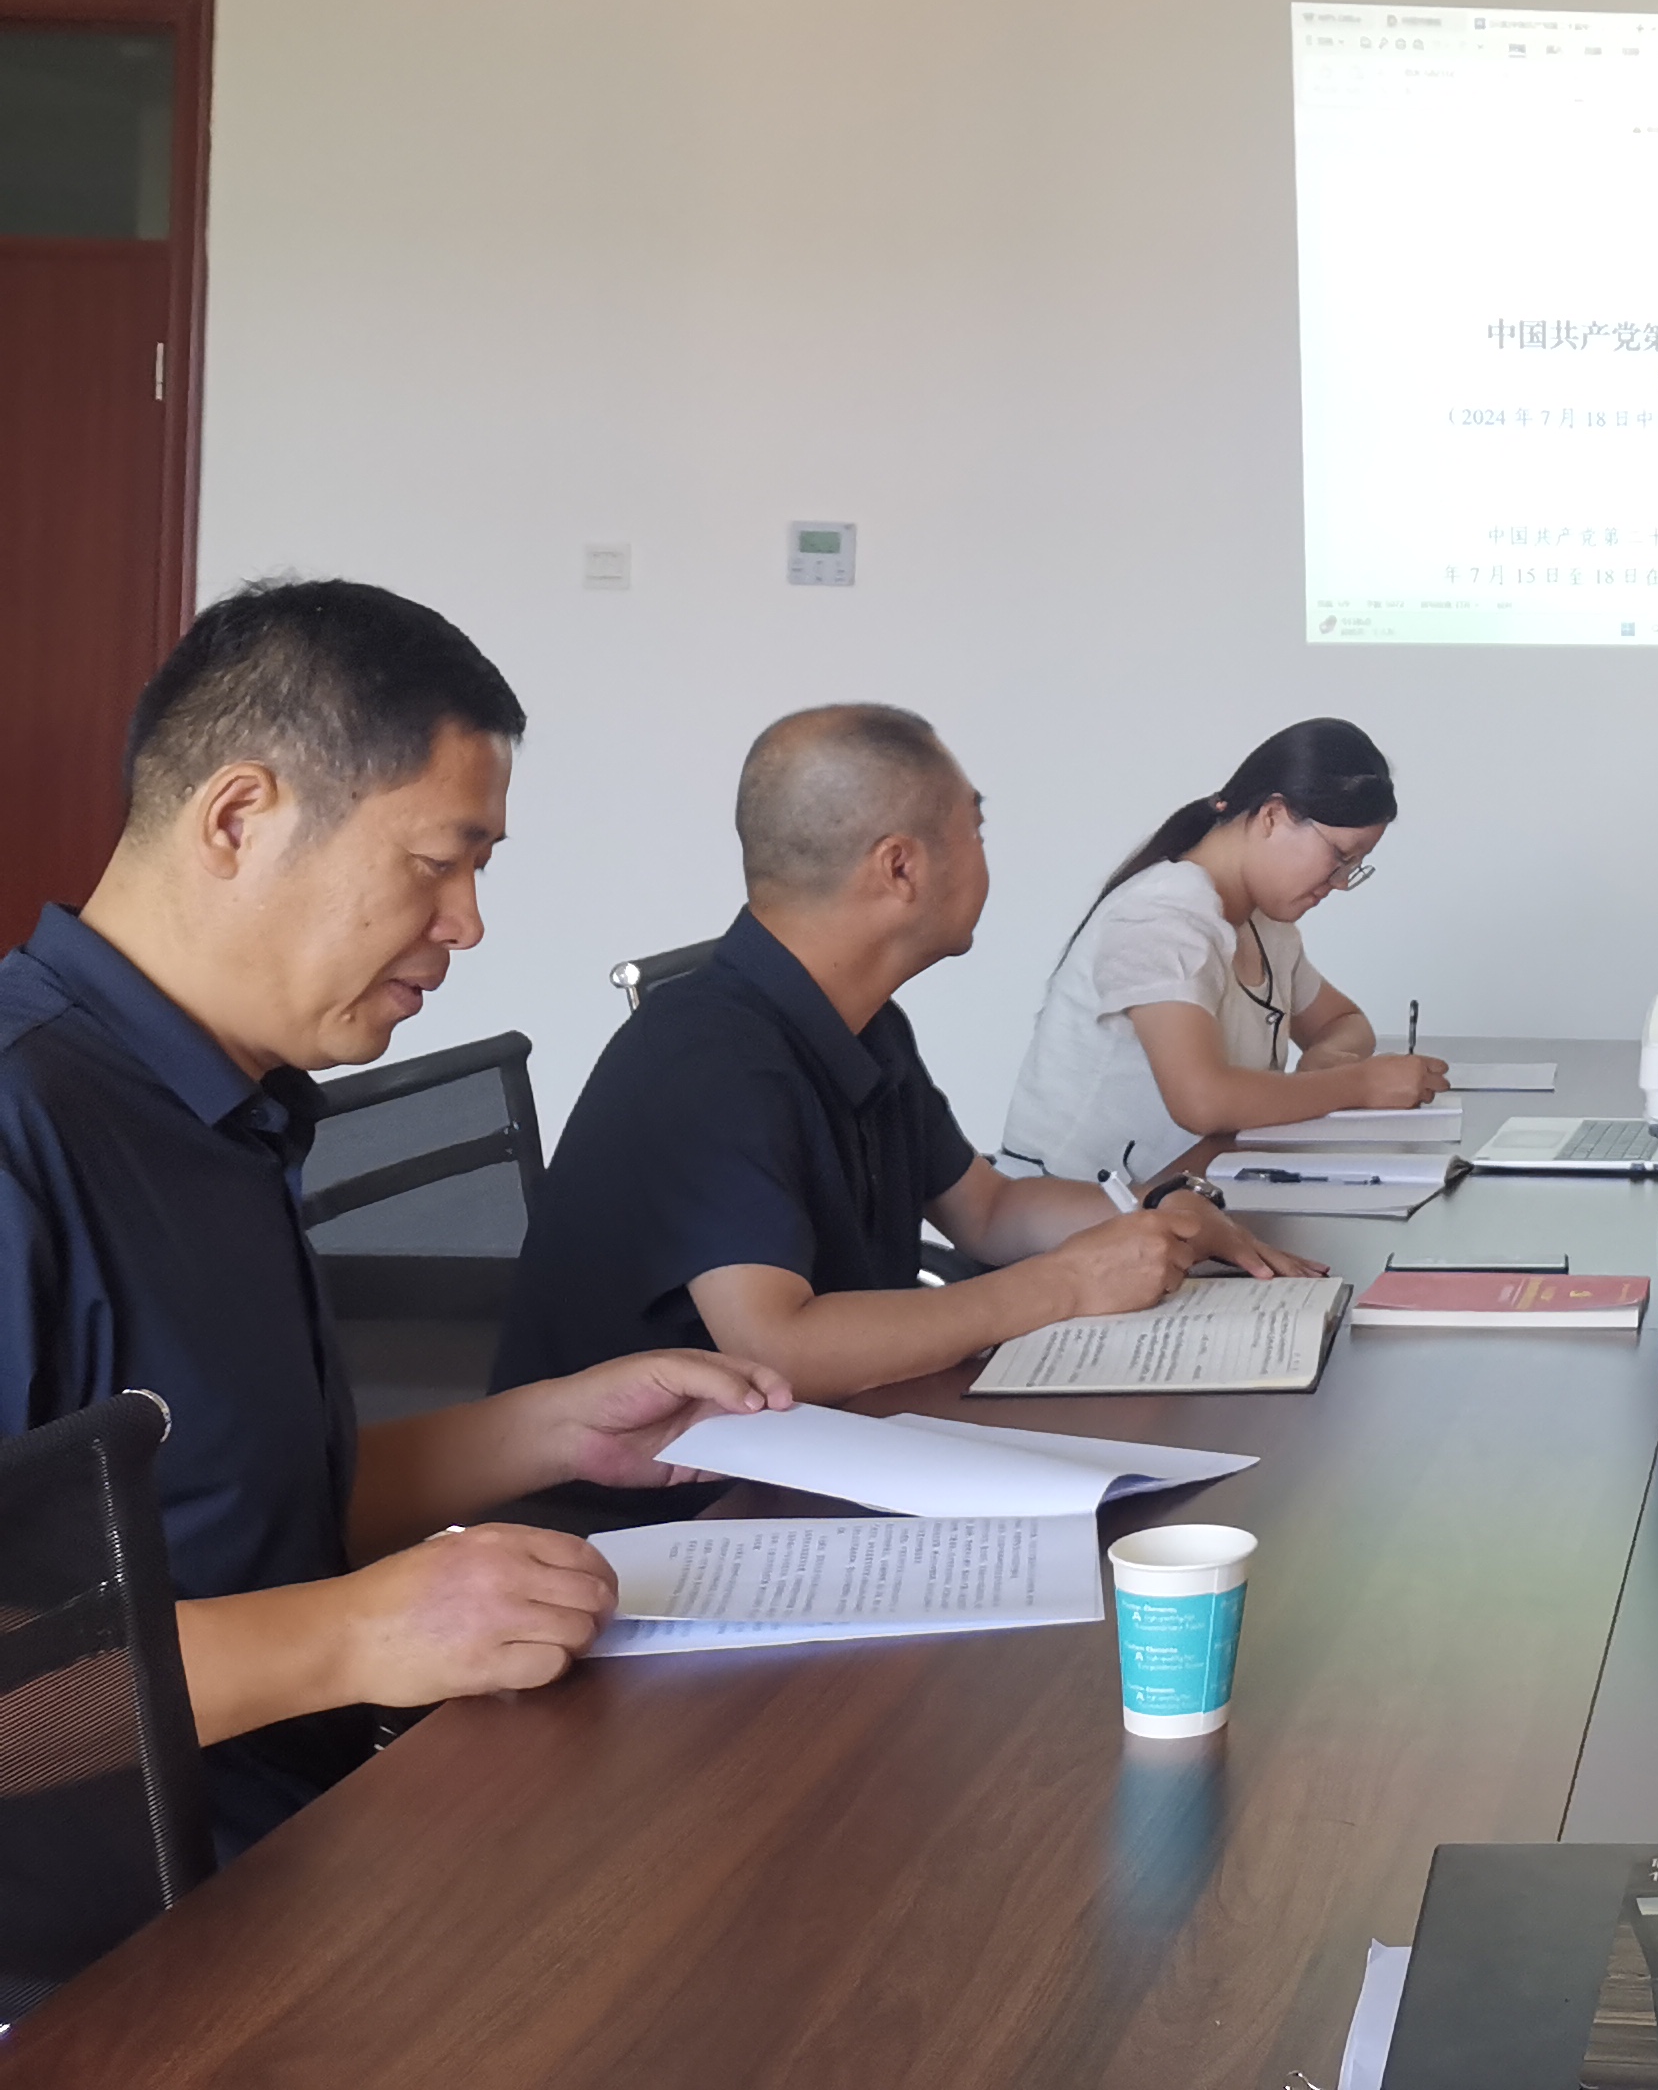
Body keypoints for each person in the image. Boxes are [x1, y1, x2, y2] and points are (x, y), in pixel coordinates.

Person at [0, 580, 795, 1852]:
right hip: (134, 1926)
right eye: (436, 862)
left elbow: (232, 1512)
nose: (466, 924)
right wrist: (357, 1634)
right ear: (239, 818)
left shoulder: (225, 1106)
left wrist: (555, 1430)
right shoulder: (23, 1124)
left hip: (306, 1832)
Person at [497, 705, 1323, 1407]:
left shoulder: (865, 1021)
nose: (987, 853)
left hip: (815, 1438)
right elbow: (777, 1348)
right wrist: (1068, 1283)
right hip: (655, 1506)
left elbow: (988, 1210)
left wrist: (1150, 1215)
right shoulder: (709, 1057)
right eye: (976, 828)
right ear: (901, 867)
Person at [997, 719, 1444, 1189]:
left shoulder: (1265, 924)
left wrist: (1328, 1059)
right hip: (1078, 1206)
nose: (1341, 883)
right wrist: (1359, 1085)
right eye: (1340, 858)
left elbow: (1343, 1021)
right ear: (1273, 816)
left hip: (1181, 1190)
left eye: (1354, 867)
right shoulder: (1162, 917)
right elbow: (1201, 1101)